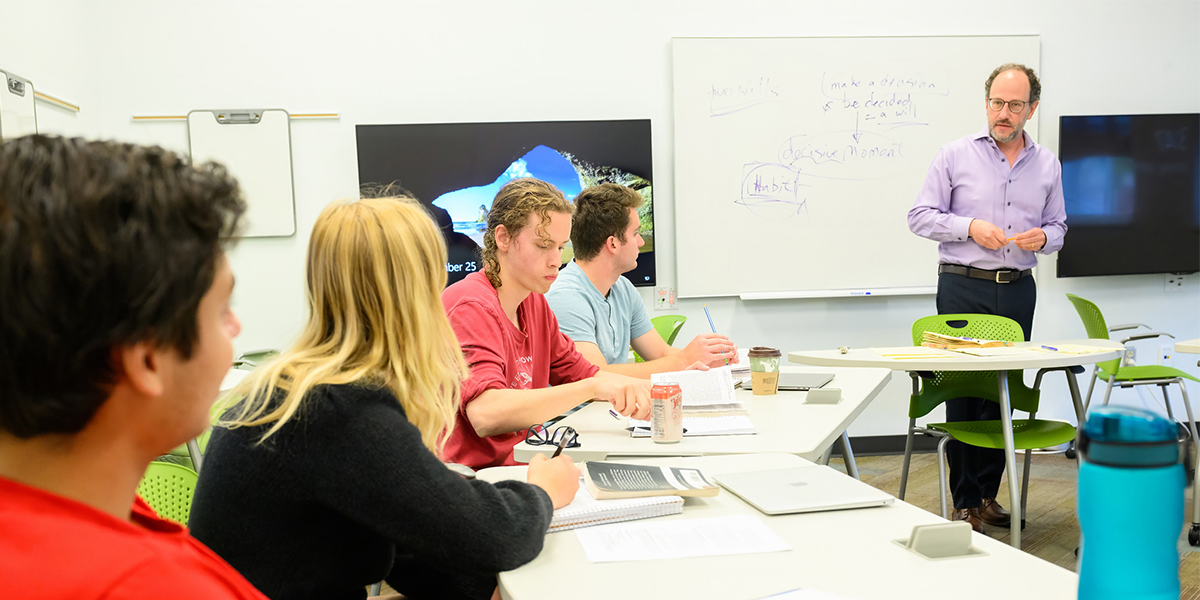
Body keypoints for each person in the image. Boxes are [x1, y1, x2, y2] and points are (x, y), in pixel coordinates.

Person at [189, 197, 580, 600]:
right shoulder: (340, 411)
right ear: (414, 292)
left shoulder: (301, 387)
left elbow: (411, 529)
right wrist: (545, 492)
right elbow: (495, 537)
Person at [0, 135, 265, 599]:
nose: (235, 328)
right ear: (147, 359)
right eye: (223, 310)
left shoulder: (77, 508)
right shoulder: (152, 586)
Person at [907, 63, 1067, 533]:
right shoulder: (954, 155)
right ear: (986, 103)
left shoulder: (1048, 164)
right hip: (962, 285)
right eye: (997, 102)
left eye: (1015, 105)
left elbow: (1059, 226)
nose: (1003, 112)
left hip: (1017, 290)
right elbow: (919, 216)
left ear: (1031, 109)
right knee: (964, 394)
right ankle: (963, 501)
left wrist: (1045, 239)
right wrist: (969, 227)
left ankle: (988, 494)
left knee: (1002, 396)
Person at [442, 178, 652, 469]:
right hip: (477, 479)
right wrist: (594, 388)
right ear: (503, 238)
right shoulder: (470, 305)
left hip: (525, 462)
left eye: (561, 247)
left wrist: (653, 389)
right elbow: (485, 414)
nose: (556, 261)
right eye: (544, 246)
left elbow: (582, 372)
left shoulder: (534, 302)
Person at [546, 183, 737, 377]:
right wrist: (684, 360)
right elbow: (595, 375)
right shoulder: (565, 297)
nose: (641, 242)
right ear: (613, 243)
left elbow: (660, 354)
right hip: (583, 408)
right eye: (635, 234)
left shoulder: (623, 288)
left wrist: (705, 359)